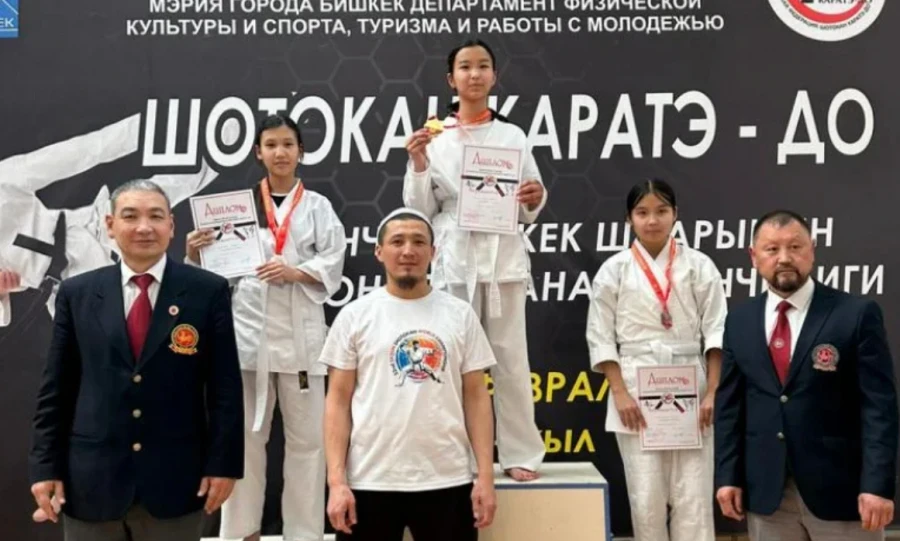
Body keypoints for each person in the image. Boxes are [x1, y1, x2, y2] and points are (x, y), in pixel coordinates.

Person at [27, 179, 244, 540]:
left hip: (176, 482)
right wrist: (44, 466)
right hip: (91, 483)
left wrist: (224, 464)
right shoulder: (77, 293)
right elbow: (57, 389)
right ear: (110, 225)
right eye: (130, 216)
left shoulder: (208, 291)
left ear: (171, 226)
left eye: (156, 216)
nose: (144, 227)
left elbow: (224, 389)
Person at [186, 114, 347, 541]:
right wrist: (196, 254)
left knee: (309, 446)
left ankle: (304, 534)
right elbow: (215, 279)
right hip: (248, 342)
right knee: (245, 446)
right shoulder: (235, 209)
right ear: (258, 152)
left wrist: (296, 271)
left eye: (288, 145)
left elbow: (334, 262)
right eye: (271, 145)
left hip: (300, 340)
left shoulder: (318, 208)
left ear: (301, 152)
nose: (280, 152)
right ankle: (240, 533)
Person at [402, 38, 546, 481]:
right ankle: (451, 455)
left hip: (502, 257)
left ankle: (521, 452)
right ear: (451, 79)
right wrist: (419, 162)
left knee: (510, 359)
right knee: (450, 360)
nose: (475, 74)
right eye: (465, 67)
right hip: (456, 258)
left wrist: (533, 198)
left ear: (494, 77)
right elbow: (418, 209)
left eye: (483, 66)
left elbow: (530, 199)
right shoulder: (435, 137)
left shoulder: (512, 136)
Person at [715, 210, 898, 541]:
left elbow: (879, 409)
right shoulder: (738, 321)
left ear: (812, 249)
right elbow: (729, 408)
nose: (784, 258)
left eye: (795, 247)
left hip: (843, 494)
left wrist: (877, 485)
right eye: (772, 249)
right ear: (753, 257)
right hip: (767, 493)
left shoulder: (855, 314)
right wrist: (727, 476)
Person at [321, 208, 498, 541]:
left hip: (447, 480)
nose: (408, 251)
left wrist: (485, 478)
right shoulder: (355, 316)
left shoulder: (460, 315)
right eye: (397, 241)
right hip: (368, 482)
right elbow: (337, 401)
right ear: (379, 251)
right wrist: (336, 483)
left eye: (419, 242)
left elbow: (477, 397)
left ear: (433, 252)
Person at [585, 179, 727, 541]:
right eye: (643, 212)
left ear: (676, 214)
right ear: (629, 218)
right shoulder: (614, 270)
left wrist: (712, 391)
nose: (653, 221)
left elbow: (716, 332)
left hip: (690, 383)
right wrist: (619, 392)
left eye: (662, 211)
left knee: (693, 496)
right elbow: (601, 336)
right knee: (645, 496)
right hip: (634, 384)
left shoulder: (699, 265)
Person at [0, 112, 228, 328]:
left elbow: (80, 152)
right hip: (67, 288)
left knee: (176, 184)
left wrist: (152, 126)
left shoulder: (4, 180)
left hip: (89, 227)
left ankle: (228, 137)